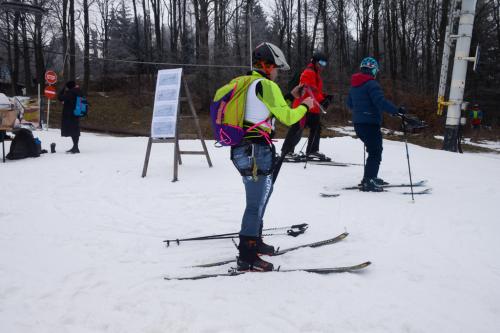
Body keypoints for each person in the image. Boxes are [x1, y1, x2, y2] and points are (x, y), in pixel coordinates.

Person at [231, 42, 313, 271]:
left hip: (243, 149)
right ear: (267, 66)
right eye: (276, 68)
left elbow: (264, 110)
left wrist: (289, 96)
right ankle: (247, 257)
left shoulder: (247, 83)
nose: (277, 73)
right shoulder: (265, 84)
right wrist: (304, 105)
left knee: (262, 195)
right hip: (257, 150)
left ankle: (254, 241)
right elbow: (287, 117)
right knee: (255, 203)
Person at [346, 57, 404, 192]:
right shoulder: (372, 84)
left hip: (358, 124)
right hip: (370, 124)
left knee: (373, 150)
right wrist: (396, 110)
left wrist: (361, 110)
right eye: (375, 71)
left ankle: (370, 177)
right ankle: (369, 180)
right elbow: (380, 101)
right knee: (375, 152)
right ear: (373, 70)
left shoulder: (354, 86)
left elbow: (349, 104)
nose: (376, 73)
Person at [281, 52, 333, 161]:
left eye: (325, 63)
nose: (323, 66)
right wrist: (322, 100)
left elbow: (316, 91)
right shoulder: (308, 73)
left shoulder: (315, 73)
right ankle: (287, 151)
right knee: (297, 128)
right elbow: (309, 89)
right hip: (303, 105)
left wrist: (325, 97)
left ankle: (312, 151)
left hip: (312, 106)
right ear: (314, 62)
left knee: (316, 127)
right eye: (321, 63)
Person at [57, 81, 82, 153]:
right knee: (75, 129)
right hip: (77, 113)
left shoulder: (71, 92)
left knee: (73, 130)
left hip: (70, 114)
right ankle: (75, 146)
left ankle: (76, 147)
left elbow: (60, 98)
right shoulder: (79, 91)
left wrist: (63, 89)